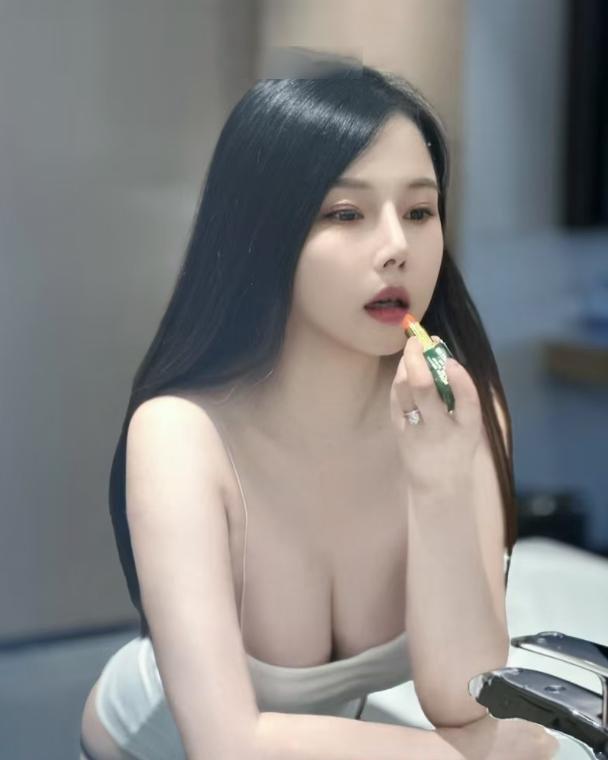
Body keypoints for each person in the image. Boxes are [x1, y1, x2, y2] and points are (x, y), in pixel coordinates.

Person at [79, 51, 558, 760]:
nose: (396, 247)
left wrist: (440, 480)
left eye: (419, 210)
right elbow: (227, 745)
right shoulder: (182, 434)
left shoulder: (459, 409)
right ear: (264, 232)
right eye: (346, 213)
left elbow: (461, 698)